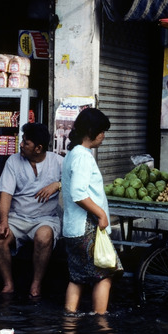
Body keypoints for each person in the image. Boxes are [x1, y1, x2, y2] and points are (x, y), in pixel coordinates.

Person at [0, 123, 63, 298]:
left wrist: (57, 184)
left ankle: (36, 284)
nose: (21, 145)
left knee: (44, 236)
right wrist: (4, 222)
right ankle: (8, 284)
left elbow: (78, 182)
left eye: (26, 142)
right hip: (17, 217)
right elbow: (6, 194)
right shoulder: (13, 161)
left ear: (38, 148)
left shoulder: (58, 162)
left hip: (45, 218)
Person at [61, 108, 117, 314]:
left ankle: (69, 321)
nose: (103, 137)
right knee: (104, 276)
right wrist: (101, 214)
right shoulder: (83, 156)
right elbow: (78, 193)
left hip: (72, 227)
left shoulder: (72, 154)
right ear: (92, 131)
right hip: (87, 226)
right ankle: (100, 324)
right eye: (102, 132)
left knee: (77, 278)